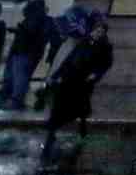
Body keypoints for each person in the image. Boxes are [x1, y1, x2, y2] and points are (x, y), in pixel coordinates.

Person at [41, 18, 112, 165]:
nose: (98, 33)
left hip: (83, 82)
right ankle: (52, 131)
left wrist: (95, 75)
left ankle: (81, 129)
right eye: (96, 30)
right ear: (92, 30)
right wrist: (56, 75)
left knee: (80, 107)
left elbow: (105, 64)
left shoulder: (105, 46)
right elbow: (69, 60)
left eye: (101, 32)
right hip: (69, 79)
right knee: (60, 106)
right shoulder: (83, 42)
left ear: (104, 34)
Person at [3, 0, 52, 110]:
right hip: (31, 53)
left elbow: (29, 32)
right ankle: (17, 99)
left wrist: (19, 29)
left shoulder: (34, 19)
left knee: (20, 76)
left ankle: (16, 100)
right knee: (21, 76)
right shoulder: (42, 20)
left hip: (24, 52)